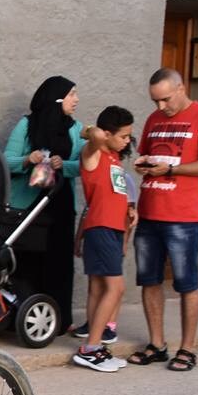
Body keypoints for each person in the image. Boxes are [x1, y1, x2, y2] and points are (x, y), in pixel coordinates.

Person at [126, 68, 198, 371]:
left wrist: (171, 170)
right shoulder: (154, 120)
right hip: (151, 211)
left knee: (187, 283)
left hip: (183, 216)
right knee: (149, 280)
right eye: (155, 101)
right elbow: (145, 154)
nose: (160, 107)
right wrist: (143, 166)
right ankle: (157, 344)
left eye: (165, 99)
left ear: (181, 88)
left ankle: (187, 348)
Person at [3, 76, 84, 332]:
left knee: (59, 261)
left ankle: (60, 319)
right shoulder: (27, 125)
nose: (76, 100)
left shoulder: (75, 128)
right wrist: (28, 159)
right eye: (71, 95)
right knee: (27, 259)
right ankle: (20, 315)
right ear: (57, 98)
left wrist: (65, 165)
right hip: (30, 204)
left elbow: (85, 164)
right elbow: (7, 161)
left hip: (60, 201)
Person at [71, 106, 134, 372]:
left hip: (112, 229)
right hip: (101, 228)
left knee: (98, 288)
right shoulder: (94, 154)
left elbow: (115, 194)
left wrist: (130, 213)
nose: (128, 141)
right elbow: (94, 135)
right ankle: (90, 347)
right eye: (123, 136)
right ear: (107, 134)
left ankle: (94, 346)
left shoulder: (114, 158)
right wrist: (90, 131)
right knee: (116, 288)